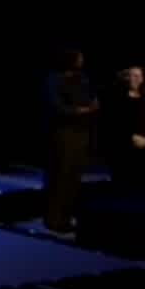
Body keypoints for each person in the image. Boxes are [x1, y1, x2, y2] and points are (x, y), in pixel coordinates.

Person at [42, 48, 97, 239]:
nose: (82, 60)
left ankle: (66, 216)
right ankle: (53, 219)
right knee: (61, 174)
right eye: (79, 57)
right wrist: (79, 111)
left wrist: (91, 106)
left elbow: (90, 98)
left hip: (81, 131)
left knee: (75, 174)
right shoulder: (54, 78)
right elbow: (56, 106)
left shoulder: (82, 77)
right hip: (63, 132)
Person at [103, 64, 145, 199]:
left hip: (144, 148)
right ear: (127, 78)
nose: (135, 79)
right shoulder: (116, 97)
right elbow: (112, 123)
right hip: (122, 149)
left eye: (138, 76)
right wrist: (131, 137)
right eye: (132, 75)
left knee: (142, 188)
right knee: (122, 189)